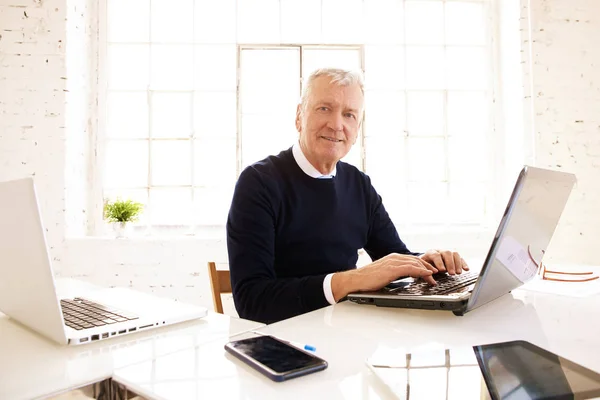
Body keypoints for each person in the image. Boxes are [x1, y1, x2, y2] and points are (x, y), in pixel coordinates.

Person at [226, 68, 469, 324]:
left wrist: (426, 262)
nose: (336, 124)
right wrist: (349, 281)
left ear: (357, 127)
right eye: (324, 109)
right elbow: (252, 301)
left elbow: (393, 258)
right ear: (299, 116)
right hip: (285, 344)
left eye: (349, 114)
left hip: (349, 335)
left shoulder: (359, 184)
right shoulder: (258, 183)